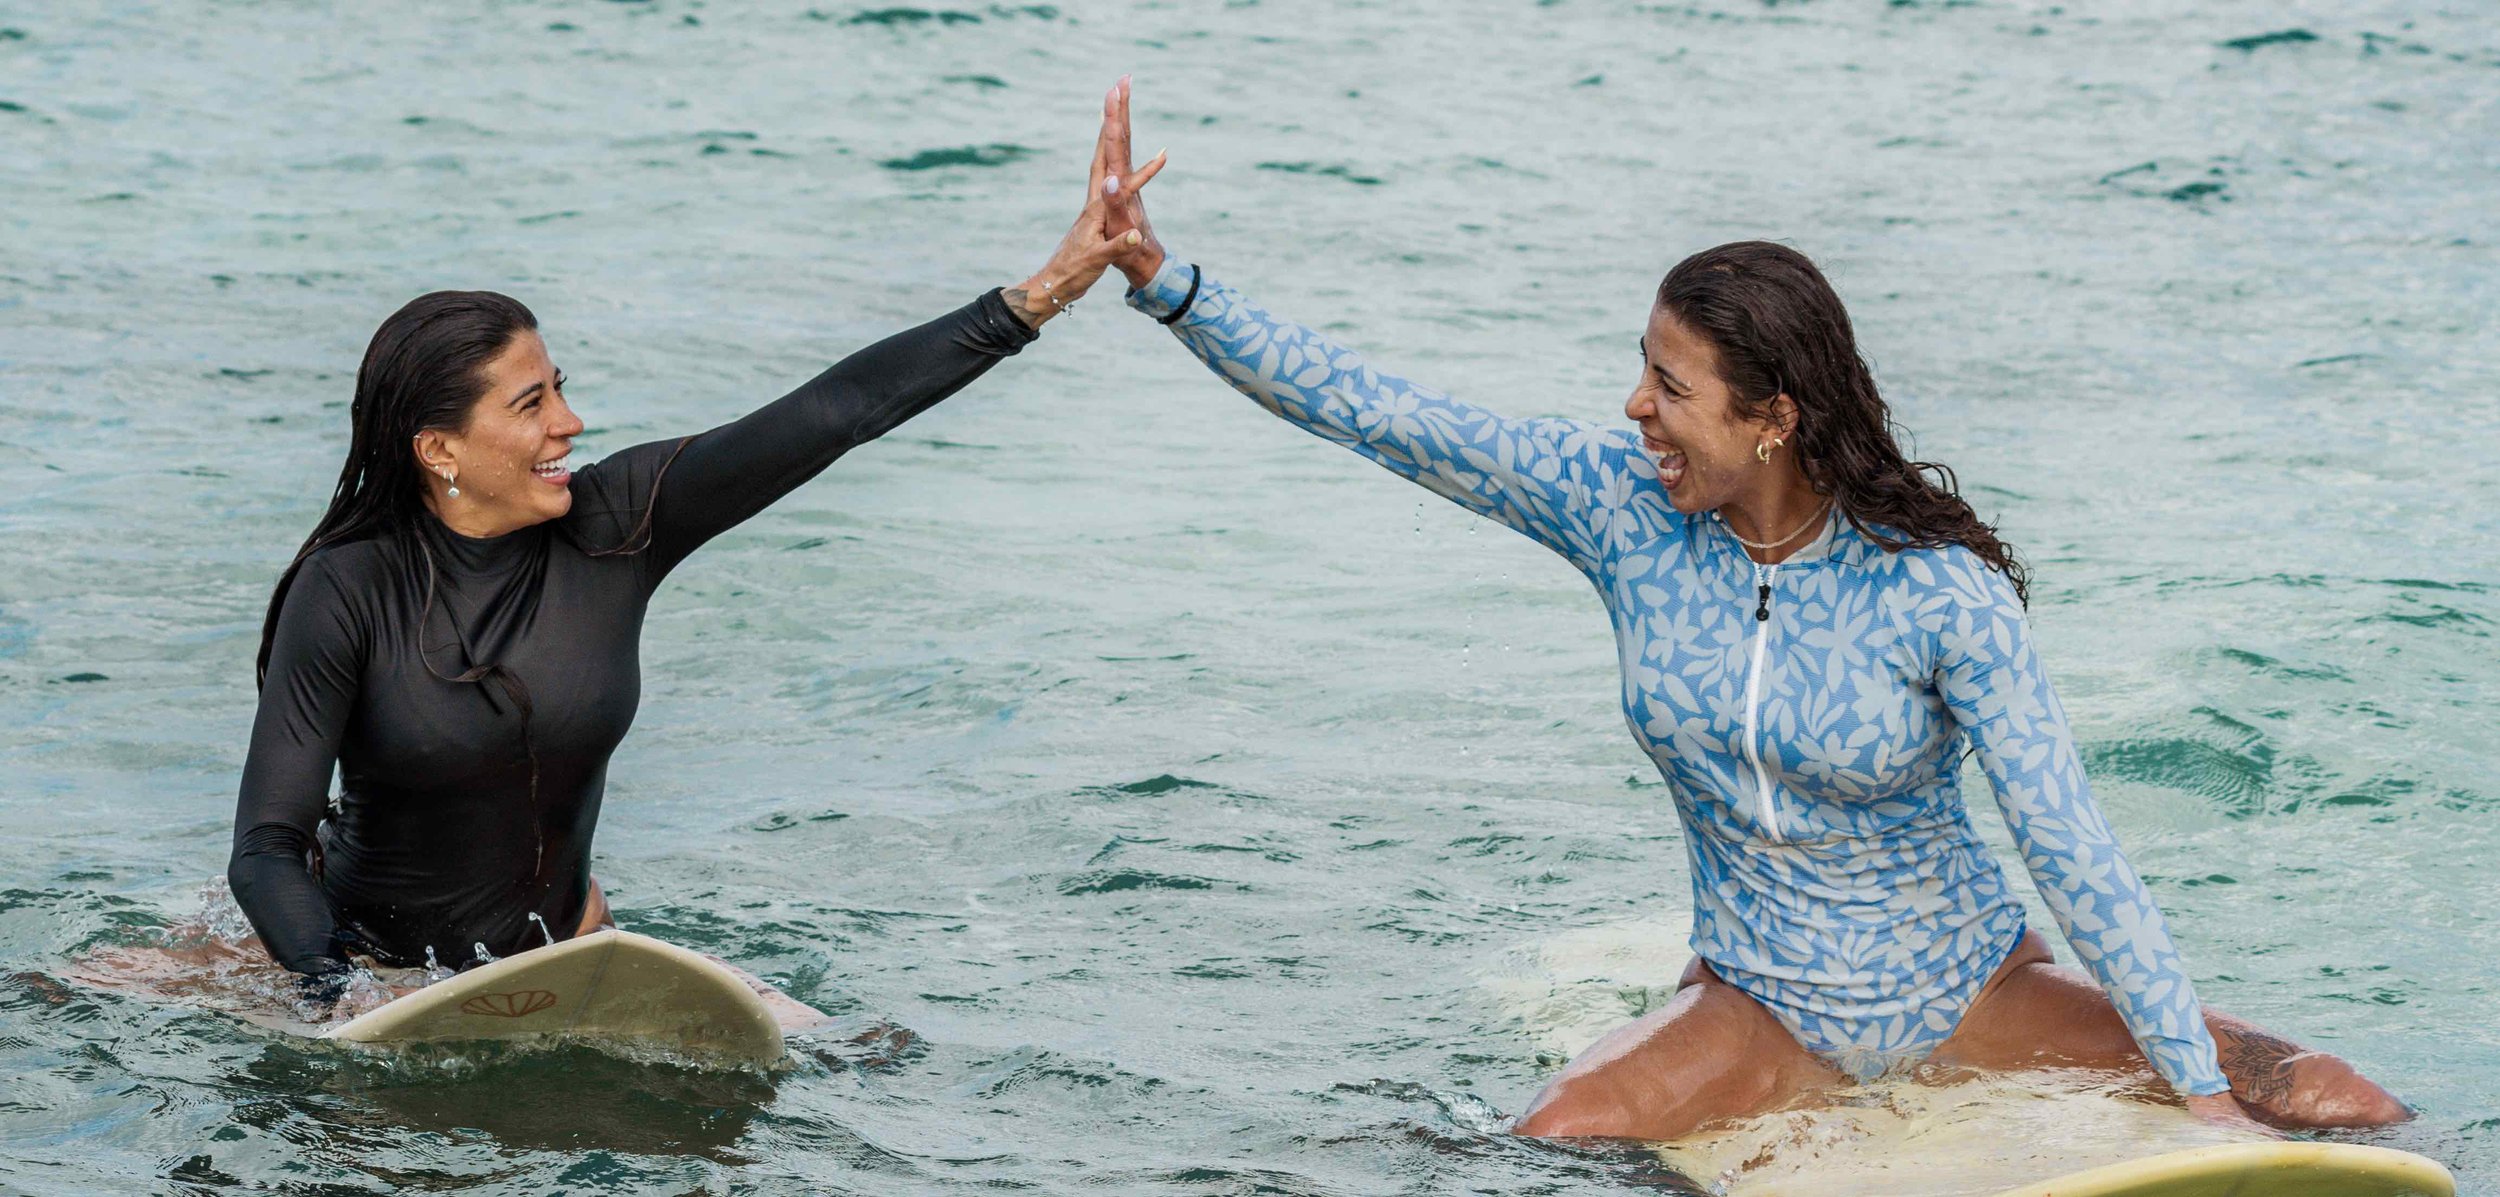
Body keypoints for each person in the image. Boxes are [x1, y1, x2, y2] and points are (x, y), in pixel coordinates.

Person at [1084, 80, 2409, 1138]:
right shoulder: (1614, 505)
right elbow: (1380, 414)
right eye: (1641, 369)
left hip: (1969, 994)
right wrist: (1164, 279)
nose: (1635, 408)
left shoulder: (1933, 589)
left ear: (1773, 417)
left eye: (1670, 387)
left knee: (2330, 1096)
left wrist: (2197, 1094)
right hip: (1762, 998)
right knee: (1556, 1129)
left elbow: (2070, 846)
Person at [227, 89, 1156, 1007]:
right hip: (381, 976)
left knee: (856, 1059)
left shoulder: (617, 523)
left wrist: (1048, 289)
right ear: (439, 450)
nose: (569, 422)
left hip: (563, 955)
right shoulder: (349, 588)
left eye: (560, 387)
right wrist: (342, 992)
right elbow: (268, 848)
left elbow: (833, 413)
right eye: (531, 404)